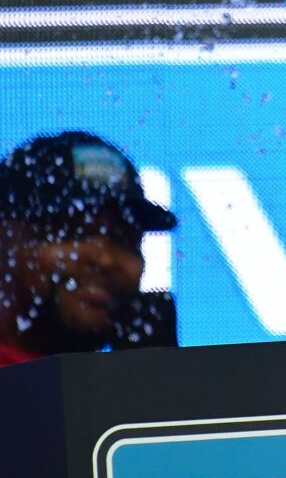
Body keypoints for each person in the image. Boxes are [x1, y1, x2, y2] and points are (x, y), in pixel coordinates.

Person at [0, 130, 177, 365]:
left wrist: (161, 384)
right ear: (7, 240)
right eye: (72, 232)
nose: (104, 259)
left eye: (124, 240)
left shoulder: (135, 389)